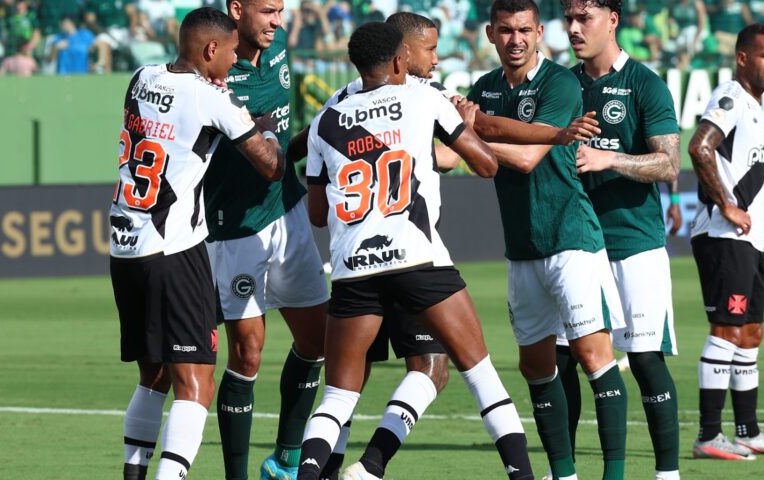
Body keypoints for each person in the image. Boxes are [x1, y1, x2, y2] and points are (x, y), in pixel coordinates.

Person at [289, 11, 601, 479]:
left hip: (353, 264)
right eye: (430, 49)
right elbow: (485, 163)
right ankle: (521, 475)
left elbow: (317, 213)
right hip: (418, 259)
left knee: (339, 394)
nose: (435, 59)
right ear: (400, 57)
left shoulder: (326, 116)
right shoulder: (422, 96)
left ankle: (329, 471)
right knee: (480, 375)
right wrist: (470, 126)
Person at [110, 7, 284, 480]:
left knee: (155, 376)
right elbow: (271, 165)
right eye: (229, 54)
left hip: (125, 245)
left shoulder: (142, 77)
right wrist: (262, 123)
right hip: (174, 250)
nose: (233, 63)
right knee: (197, 382)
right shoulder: (213, 99)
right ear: (211, 49)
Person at [467, 0, 628, 478]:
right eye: (505, 31)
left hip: (572, 238)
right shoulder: (484, 90)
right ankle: (564, 474)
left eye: (523, 30)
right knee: (536, 367)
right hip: (522, 249)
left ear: (539, 32)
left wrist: (468, 131)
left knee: (594, 357)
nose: (515, 40)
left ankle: (615, 475)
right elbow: (466, 160)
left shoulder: (559, 82)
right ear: (490, 34)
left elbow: (527, 157)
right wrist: (459, 136)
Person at [201, 1, 331, 479]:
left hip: (287, 208)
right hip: (232, 227)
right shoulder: (212, 67)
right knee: (248, 351)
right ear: (237, 10)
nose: (278, 20)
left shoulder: (277, 55)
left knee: (317, 341)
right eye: (268, 10)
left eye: (282, 10)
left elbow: (282, 139)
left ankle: (286, 459)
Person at [562, 0, 683, 477]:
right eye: (568, 19)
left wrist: (609, 159)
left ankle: (666, 473)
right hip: (574, 244)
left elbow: (670, 165)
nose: (573, 28)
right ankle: (563, 469)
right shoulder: (563, 84)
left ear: (612, 20)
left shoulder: (644, 84)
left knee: (647, 357)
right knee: (563, 358)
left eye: (583, 18)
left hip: (635, 243)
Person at [688, 23, 764, 460]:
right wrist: (726, 204)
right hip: (724, 236)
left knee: (750, 333)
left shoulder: (753, 106)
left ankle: (748, 431)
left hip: (748, 242)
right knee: (728, 330)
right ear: (742, 57)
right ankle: (708, 435)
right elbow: (699, 147)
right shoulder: (731, 97)